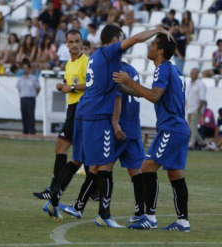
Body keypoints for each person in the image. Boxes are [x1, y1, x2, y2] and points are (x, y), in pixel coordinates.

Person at [42, 25, 172, 227]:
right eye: (121, 38)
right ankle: (104, 215)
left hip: (83, 112)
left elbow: (119, 88)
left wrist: (145, 93)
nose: (124, 42)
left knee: (78, 159)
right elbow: (137, 39)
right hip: (97, 115)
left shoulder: (96, 56)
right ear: (114, 40)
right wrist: (158, 30)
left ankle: (54, 201)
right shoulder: (111, 52)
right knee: (103, 165)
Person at [113, 33, 191, 232]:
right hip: (179, 128)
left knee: (146, 166)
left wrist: (130, 82)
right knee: (175, 174)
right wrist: (123, 88)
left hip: (171, 128)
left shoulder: (162, 68)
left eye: (152, 44)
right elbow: (151, 93)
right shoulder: (174, 70)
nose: (149, 46)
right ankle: (183, 221)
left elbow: (154, 96)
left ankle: (149, 217)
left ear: (161, 50)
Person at [59, 61, 146, 223]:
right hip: (133, 127)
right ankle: (140, 213)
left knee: (99, 167)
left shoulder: (114, 71)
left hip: (117, 126)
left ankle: (81, 208)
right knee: (135, 171)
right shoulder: (132, 70)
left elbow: (116, 98)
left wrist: (114, 123)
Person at [33, 30, 88, 200]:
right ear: (66, 44)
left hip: (82, 108)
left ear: (81, 43)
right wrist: (63, 85)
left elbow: (91, 84)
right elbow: (69, 83)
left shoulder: (86, 62)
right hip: (72, 109)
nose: (74, 45)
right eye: (71, 42)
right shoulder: (68, 64)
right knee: (79, 154)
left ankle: (54, 189)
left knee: (62, 148)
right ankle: (58, 190)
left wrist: (70, 88)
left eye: (77, 41)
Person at [16, 59, 41, 134]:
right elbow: (19, 89)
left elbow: (38, 88)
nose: (25, 69)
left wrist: (35, 95)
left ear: (29, 69)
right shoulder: (20, 79)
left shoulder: (33, 78)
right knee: (24, 114)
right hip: (23, 98)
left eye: (26, 68)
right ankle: (25, 130)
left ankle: (32, 130)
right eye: (23, 68)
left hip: (31, 98)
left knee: (31, 115)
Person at [186, 68, 207, 150]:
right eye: (191, 73)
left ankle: (192, 144)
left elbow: (202, 99)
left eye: (193, 73)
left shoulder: (200, 84)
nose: (191, 75)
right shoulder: (189, 84)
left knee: (193, 127)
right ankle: (202, 143)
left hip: (196, 108)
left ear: (197, 74)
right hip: (189, 108)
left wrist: (198, 110)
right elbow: (187, 97)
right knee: (191, 127)